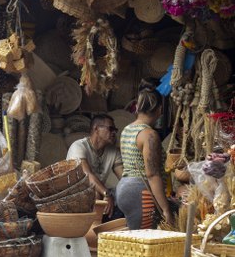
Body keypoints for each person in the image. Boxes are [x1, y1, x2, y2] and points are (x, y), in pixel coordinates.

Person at [115, 80, 174, 230]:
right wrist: (166, 209)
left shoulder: (127, 129)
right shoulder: (149, 135)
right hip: (140, 192)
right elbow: (152, 174)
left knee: (136, 236)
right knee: (143, 239)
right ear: (160, 109)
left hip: (124, 188)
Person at [66, 114, 124, 217]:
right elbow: (87, 175)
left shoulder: (113, 151)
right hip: (74, 195)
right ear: (96, 129)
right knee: (95, 193)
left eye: (115, 129)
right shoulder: (78, 146)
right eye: (111, 129)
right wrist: (106, 194)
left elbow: (123, 177)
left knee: (125, 193)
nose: (114, 132)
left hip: (99, 193)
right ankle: (92, 228)